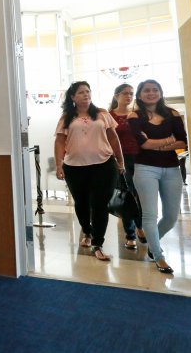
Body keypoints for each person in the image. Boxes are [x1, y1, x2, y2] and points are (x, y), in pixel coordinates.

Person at [54, 81, 125, 261]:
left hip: (104, 165)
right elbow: (60, 141)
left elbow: (113, 137)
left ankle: (98, 244)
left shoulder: (102, 114)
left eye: (88, 91)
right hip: (74, 167)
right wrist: (58, 164)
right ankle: (87, 230)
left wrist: (120, 160)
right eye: (80, 92)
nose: (86, 95)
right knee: (82, 203)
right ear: (72, 97)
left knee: (100, 204)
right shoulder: (66, 117)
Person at [128, 79, 188, 274]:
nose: (151, 93)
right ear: (139, 95)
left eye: (155, 90)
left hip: (171, 168)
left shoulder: (173, 114)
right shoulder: (134, 116)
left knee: (171, 217)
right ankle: (158, 256)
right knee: (150, 215)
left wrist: (157, 142)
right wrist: (168, 140)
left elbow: (183, 142)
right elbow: (143, 144)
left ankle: (153, 244)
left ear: (161, 93)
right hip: (145, 168)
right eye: (146, 90)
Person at [109, 83, 146, 250]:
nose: (129, 96)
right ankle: (130, 234)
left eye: (131, 94)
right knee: (127, 197)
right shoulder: (109, 116)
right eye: (125, 93)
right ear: (116, 95)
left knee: (141, 196)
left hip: (140, 158)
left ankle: (140, 225)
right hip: (120, 161)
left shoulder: (138, 115)